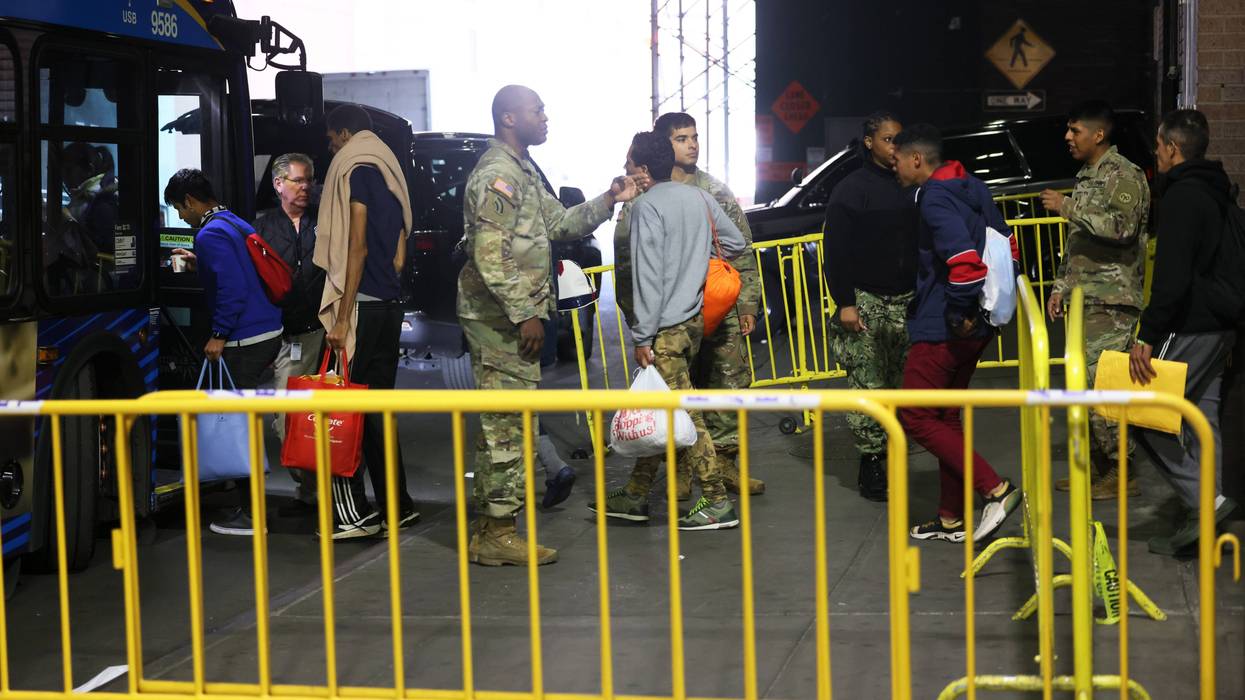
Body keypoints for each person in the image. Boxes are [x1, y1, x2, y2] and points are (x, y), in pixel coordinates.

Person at [458, 85, 638, 566]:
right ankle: (495, 533)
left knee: (514, 423)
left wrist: (609, 198)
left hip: (513, 317)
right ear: (509, 118)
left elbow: (559, 224)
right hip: (499, 319)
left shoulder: (524, 170)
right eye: (537, 110)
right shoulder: (498, 175)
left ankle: (495, 527)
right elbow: (489, 256)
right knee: (504, 425)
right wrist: (525, 313)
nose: (545, 116)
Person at [589, 130, 747, 530]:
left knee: (687, 415)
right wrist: (694, 262)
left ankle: (716, 501)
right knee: (662, 405)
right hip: (694, 321)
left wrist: (642, 337)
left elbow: (647, 279)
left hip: (665, 329)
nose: (626, 169)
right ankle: (637, 494)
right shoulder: (699, 196)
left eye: (629, 163)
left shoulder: (646, 208)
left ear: (643, 169)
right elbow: (734, 243)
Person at [892, 124, 1021, 543]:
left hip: (945, 324)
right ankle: (951, 518)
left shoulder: (934, 197)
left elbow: (965, 262)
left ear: (917, 160)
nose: (894, 167)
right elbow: (1008, 246)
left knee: (914, 414)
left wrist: (958, 312)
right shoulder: (972, 185)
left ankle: (996, 489)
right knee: (945, 415)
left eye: (897, 160)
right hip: (981, 322)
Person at [1129, 109, 1239, 555]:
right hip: (1223, 325)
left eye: (1158, 146)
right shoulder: (1217, 190)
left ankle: (1206, 502)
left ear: (1173, 148)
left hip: (1192, 323)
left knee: (1143, 415)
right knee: (1201, 416)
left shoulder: (1181, 198)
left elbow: (1172, 277)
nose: (1156, 154)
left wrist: (1147, 334)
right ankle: (1203, 524)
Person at [314, 104, 419, 539]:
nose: (333, 148)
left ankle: (351, 515)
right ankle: (398, 506)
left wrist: (341, 317)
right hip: (389, 306)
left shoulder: (356, 169)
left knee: (342, 411)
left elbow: (355, 246)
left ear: (343, 133)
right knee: (377, 409)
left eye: (332, 139)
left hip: (360, 307)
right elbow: (398, 250)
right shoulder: (390, 168)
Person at [164, 168, 283, 536]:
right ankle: (250, 505)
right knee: (242, 420)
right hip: (267, 328)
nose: (181, 217)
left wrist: (218, 334)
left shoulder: (210, 233)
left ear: (190, 202)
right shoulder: (231, 221)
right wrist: (202, 263)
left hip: (245, 337)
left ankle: (253, 515)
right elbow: (241, 269)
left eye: (180, 210)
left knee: (239, 425)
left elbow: (232, 289)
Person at [1042, 101, 1151, 500]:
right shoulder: (1089, 176)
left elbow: (1122, 228)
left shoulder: (1124, 174)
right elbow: (1080, 245)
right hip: (1087, 297)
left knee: (1102, 386)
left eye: (1075, 131)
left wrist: (1067, 206)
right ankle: (1100, 469)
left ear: (1099, 134)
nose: (1067, 138)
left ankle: (1122, 472)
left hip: (1112, 300)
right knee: (1085, 387)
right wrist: (1060, 286)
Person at [658, 111, 765, 498]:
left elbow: (742, 249)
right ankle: (683, 469)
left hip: (720, 305)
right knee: (679, 390)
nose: (692, 144)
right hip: (674, 310)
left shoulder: (714, 190)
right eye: (682, 138)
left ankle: (724, 464)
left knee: (726, 385)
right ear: (663, 144)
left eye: (695, 137)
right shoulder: (651, 191)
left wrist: (748, 305)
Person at [823, 111, 918, 502]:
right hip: (866, 300)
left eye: (899, 139)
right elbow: (836, 251)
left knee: (902, 386)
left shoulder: (912, 184)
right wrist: (845, 303)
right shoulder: (851, 189)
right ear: (869, 142)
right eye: (888, 139)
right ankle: (872, 463)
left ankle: (895, 455)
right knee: (868, 385)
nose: (895, 146)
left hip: (908, 301)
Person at [255, 152, 324, 516]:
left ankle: (318, 492)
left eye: (308, 180)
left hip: (320, 332)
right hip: (281, 334)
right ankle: (308, 484)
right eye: (298, 180)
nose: (305, 187)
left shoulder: (323, 221)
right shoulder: (262, 228)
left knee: (319, 417)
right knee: (287, 419)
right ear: (278, 184)